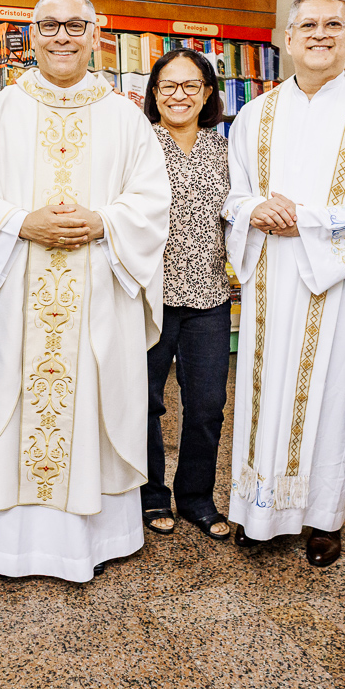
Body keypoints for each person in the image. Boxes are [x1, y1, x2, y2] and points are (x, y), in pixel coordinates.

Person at [0, 0, 171, 582]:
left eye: (76, 26)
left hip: (98, 293)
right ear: (32, 35)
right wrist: (20, 223)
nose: (62, 37)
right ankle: (11, 545)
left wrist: (105, 222)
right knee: (14, 399)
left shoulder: (125, 117)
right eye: (49, 26)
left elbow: (153, 201)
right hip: (15, 295)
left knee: (94, 403)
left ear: (95, 35)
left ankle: (94, 541)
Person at [223, 0, 345, 567]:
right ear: (288, 37)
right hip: (269, 277)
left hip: (336, 280)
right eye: (308, 25)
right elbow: (233, 193)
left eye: (333, 25)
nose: (320, 35)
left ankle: (324, 518)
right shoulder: (255, 113)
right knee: (264, 389)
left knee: (330, 394)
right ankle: (259, 511)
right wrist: (254, 210)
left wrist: (303, 219)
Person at [139, 49, 232, 542]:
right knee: (144, 403)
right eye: (168, 86)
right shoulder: (138, 144)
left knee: (207, 405)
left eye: (190, 85)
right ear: (154, 93)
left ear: (207, 92)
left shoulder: (227, 150)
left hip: (209, 297)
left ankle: (196, 496)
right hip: (148, 297)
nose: (179, 95)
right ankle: (150, 494)